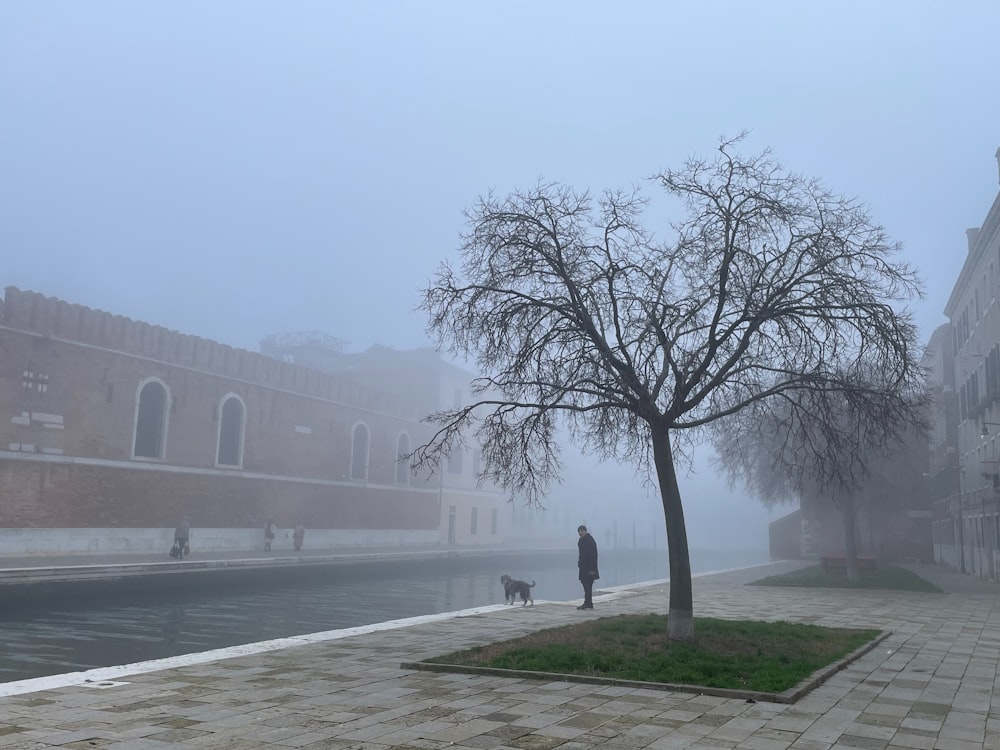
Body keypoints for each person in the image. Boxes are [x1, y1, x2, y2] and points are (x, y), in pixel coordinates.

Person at [577, 524, 599, 610]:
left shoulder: (589, 541)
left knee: (588, 585)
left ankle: (588, 603)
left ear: (586, 531)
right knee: (585, 585)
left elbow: (593, 555)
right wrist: (579, 564)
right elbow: (581, 555)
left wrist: (592, 569)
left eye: (582, 531)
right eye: (579, 531)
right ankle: (588, 603)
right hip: (583, 567)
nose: (580, 532)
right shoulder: (582, 541)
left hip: (589, 568)